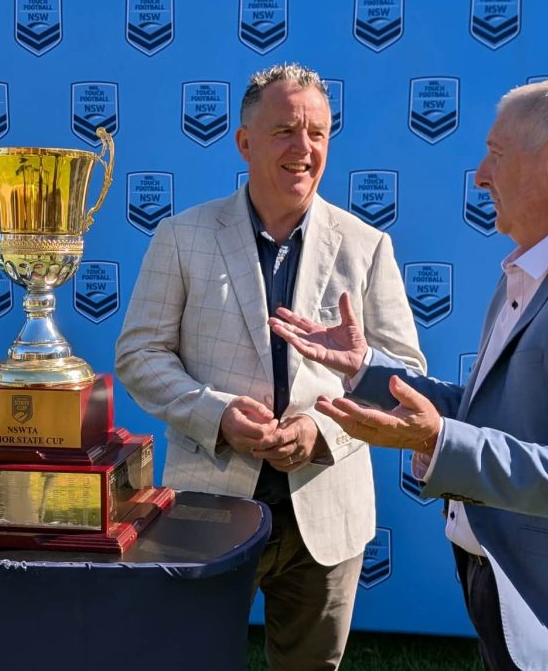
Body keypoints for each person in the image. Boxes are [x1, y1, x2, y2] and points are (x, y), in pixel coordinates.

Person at [270, 75, 548, 670]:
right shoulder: (536, 266)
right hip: (527, 599)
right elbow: (503, 409)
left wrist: (434, 440)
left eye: (495, 154)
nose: (480, 175)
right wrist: (367, 369)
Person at [115, 63, 425, 671]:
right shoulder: (183, 236)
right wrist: (218, 414)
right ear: (245, 141)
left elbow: (403, 374)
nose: (303, 149)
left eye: (318, 133)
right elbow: (139, 354)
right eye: (285, 130)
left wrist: (323, 431)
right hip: (208, 503)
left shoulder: (366, 246)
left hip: (327, 509)